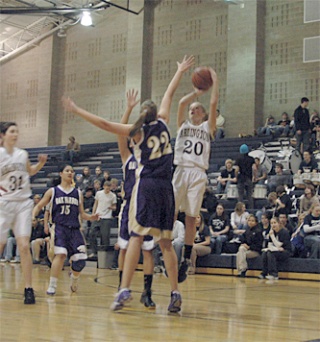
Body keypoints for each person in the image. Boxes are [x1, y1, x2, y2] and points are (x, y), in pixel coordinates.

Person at [62, 55, 195, 312]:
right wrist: (179, 70)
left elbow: (104, 124)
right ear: (156, 113)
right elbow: (169, 92)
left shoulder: (137, 131)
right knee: (166, 244)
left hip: (146, 188)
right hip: (167, 189)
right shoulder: (165, 123)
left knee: (136, 238)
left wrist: (77, 110)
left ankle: (124, 290)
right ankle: (175, 293)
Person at [172, 66, 219, 283]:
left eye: (196, 108)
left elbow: (213, 103)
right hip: (181, 170)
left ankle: (185, 257)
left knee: (191, 218)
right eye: (191, 109)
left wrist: (214, 81)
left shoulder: (208, 128)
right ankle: (164, 249)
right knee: (170, 212)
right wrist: (195, 94)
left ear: (203, 114)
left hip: (198, 174)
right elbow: (181, 103)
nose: (192, 110)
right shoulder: (182, 125)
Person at [115, 89, 157, 308]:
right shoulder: (127, 158)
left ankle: (147, 292)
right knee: (124, 248)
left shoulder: (148, 156)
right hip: (128, 207)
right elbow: (120, 133)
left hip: (146, 206)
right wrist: (129, 108)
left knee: (148, 250)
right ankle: (122, 287)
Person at [32, 164, 99, 295]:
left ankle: (74, 279)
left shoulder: (78, 193)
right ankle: (52, 285)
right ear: (61, 174)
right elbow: (39, 205)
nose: (70, 173)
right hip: (60, 228)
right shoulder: (53, 191)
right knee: (61, 255)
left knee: (80, 262)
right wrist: (33, 215)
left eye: (72, 171)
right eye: (67, 170)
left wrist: (92, 217)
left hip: (75, 229)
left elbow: (82, 214)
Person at [0, 121, 47, 304]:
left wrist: (41, 163)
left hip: (23, 204)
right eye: (12, 131)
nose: (15, 134)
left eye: (17, 131)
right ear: (3, 135)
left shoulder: (22, 154)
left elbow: (31, 171)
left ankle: (29, 288)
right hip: (4, 203)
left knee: (24, 246)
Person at [88, 181, 117, 258]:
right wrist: (93, 214)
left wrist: (111, 208)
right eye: (106, 188)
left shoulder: (113, 196)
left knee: (105, 237)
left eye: (109, 188)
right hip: (98, 216)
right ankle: (94, 251)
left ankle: (104, 255)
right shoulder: (99, 193)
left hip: (107, 218)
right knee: (91, 233)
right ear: (103, 186)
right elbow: (95, 204)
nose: (107, 189)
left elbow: (115, 207)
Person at [235, 144, 255, 209]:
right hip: (249, 178)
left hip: (241, 179)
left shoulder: (238, 159)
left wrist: (236, 177)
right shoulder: (251, 159)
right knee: (249, 196)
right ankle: (251, 209)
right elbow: (254, 168)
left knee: (240, 196)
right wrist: (254, 176)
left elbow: (236, 170)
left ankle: (240, 209)